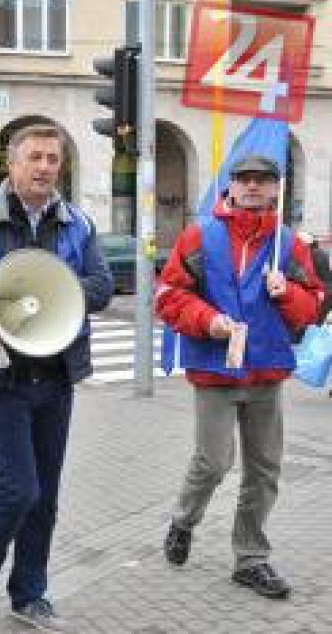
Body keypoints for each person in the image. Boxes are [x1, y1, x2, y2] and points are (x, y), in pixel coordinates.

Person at [0, 124, 113, 630]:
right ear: (10, 165)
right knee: (19, 488)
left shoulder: (78, 225)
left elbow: (100, 284)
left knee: (46, 495)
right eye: (34, 157)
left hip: (54, 377)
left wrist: (53, 288)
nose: (45, 167)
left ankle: (29, 594)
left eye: (53, 158)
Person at [156, 155, 322, 600]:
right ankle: (183, 522)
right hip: (216, 370)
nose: (252, 186)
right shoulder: (199, 237)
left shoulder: (288, 245)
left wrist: (287, 293)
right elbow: (170, 295)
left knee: (264, 470)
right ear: (231, 186)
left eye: (262, 180)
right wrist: (208, 321)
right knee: (213, 463)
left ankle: (250, 559)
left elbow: (314, 305)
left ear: (275, 189)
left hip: (266, 370)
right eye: (244, 179)